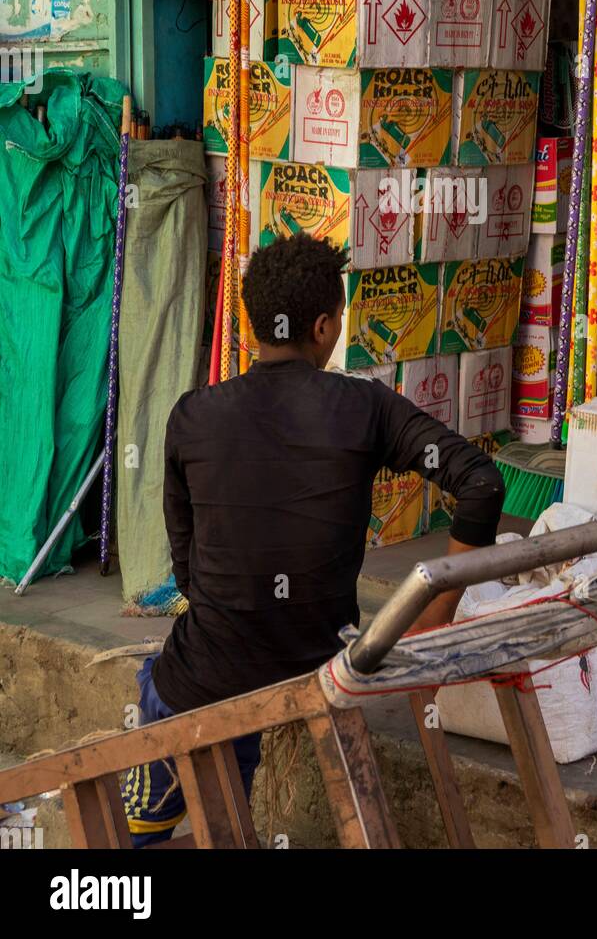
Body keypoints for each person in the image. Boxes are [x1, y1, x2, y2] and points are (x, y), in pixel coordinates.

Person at [123, 232, 505, 845]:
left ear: (254, 325)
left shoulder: (192, 416)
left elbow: (190, 571)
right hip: (319, 664)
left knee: (166, 701)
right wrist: (438, 617)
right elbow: (481, 483)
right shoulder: (363, 406)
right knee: (235, 700)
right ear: (324, 327)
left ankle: (150, 837)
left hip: (211, 674)